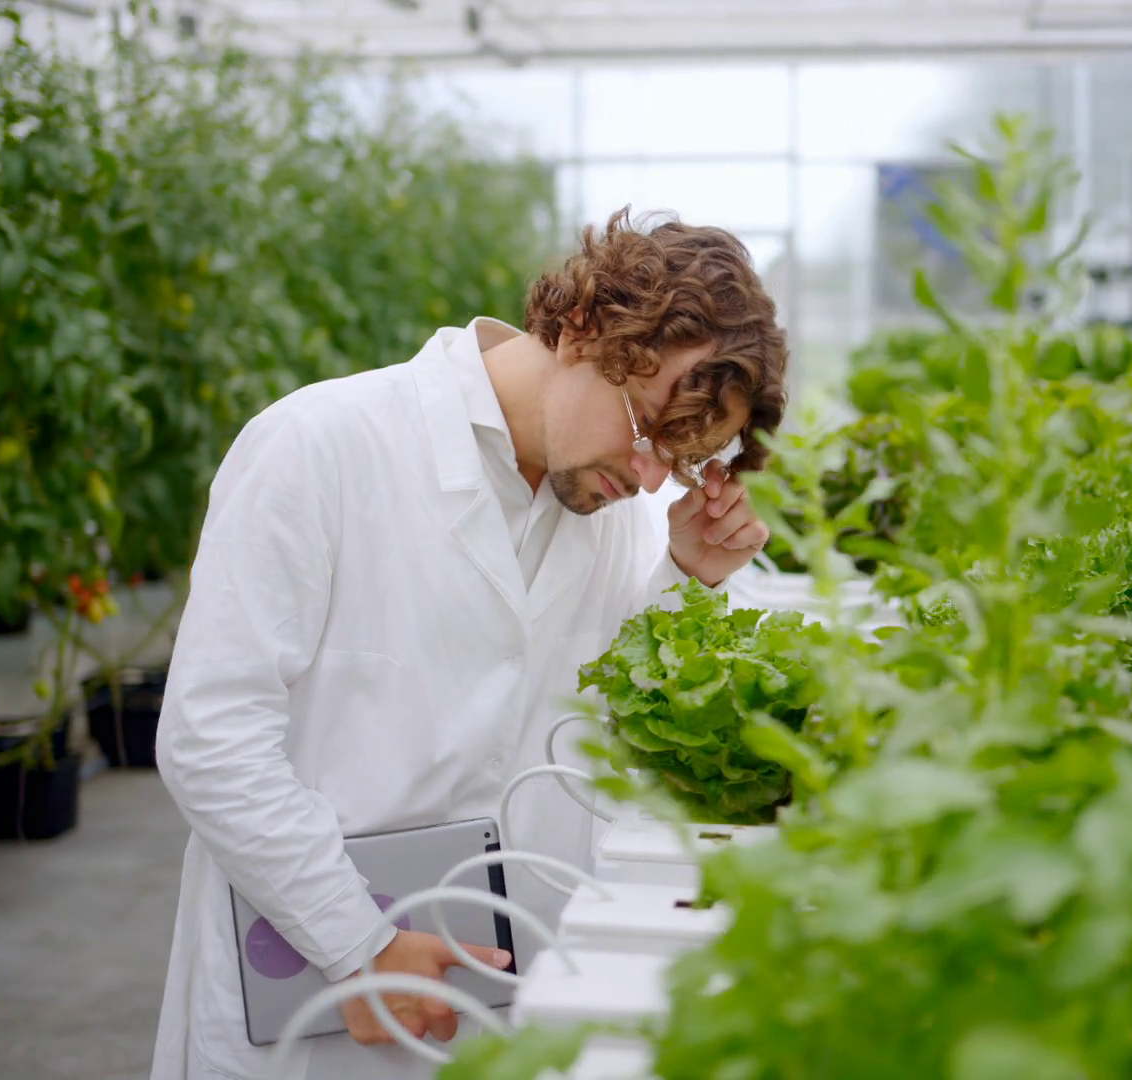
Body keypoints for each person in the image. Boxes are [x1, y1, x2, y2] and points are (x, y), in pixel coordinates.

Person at [149, 208, 788, 1080]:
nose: (649, 479)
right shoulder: (319, 446)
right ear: (581, 328)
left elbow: (600, 730)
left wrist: (688, 573)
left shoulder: (608, 512)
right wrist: (358, 942)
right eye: (646, 426)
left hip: (500, 990)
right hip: (312, 985)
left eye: (676, 459)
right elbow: (211, 738)